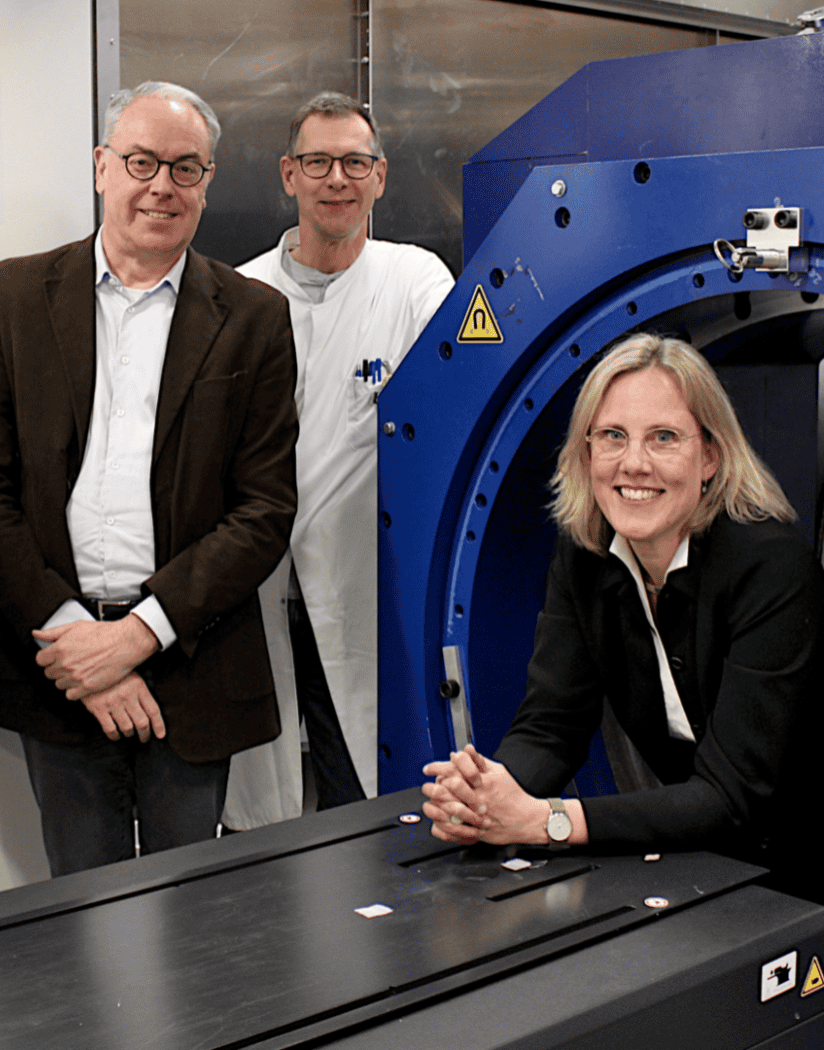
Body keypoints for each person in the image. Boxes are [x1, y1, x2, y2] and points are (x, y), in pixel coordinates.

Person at [421, 333, 824, 1042]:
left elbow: (729, 798)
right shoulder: (584, 556)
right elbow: (551, 726)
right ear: (585, 454)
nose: (633, 463)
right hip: (782, 798)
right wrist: (489, 791)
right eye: (611, 436)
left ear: (710, 457)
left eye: (663, 437)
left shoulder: (768, 565)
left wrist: (546, 822)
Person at [0, 82, 298, 878]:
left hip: (194, 665)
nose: (161, 186)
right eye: (142, 161)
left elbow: (265, 509)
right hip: (57, 666)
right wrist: (79, 641)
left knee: (185, 920)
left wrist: (137, 637)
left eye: (185, 169)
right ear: (103, 166)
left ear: (207, 184)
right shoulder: (13, 295)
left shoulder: (253, 315)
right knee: (80, 916)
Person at [225, 93, 453, 828]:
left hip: (365, 591)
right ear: (289, 174)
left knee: (359, 797)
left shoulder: (415, 282)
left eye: (355, 162)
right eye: (318, 162)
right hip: (251, 591)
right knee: (257, 816)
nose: (337, 179)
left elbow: (445, 417)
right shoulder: (239, 291)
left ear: (380, 177)